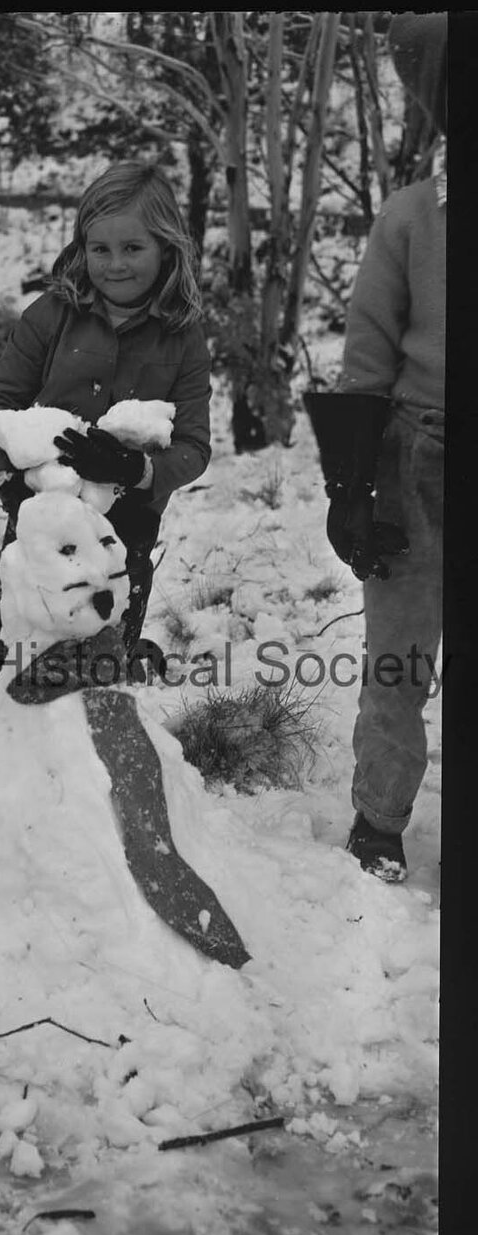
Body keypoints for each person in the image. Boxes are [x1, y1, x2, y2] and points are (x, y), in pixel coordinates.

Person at [0, 161, 211, 688]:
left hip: (125, 531)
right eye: (100, 249)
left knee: (101, 669)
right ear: (82, 246)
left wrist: (135, 468)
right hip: (42, 518)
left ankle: (96, 755)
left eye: (133, 249)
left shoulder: (183, 338)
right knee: (22, 654)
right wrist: (6, 482)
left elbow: (194, 446)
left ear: (166, 247)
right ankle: (7, 755)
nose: (115, 265)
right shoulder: (51, 315)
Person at [305, 13, 446, 882]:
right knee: (400, 651)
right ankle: (380, 818)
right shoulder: (410, 219)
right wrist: (353, 485)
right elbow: (364, 359)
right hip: (414, 461)